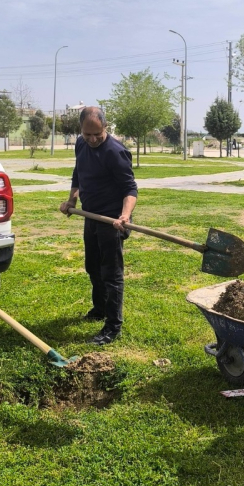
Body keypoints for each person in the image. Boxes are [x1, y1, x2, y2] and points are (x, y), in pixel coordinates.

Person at [60, 106, 137, 345]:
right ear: (81, 129)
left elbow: (130, 189)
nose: (92, 140)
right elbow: (78, 173)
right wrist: (72, 199)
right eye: (87, 134)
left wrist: (125, 216)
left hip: (112, 220)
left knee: (111, 274)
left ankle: (113, 326)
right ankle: (100, 308)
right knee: (93, 266)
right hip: (90, 215)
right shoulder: (80, 144)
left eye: (98, 135)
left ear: (105, 128)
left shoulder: (115, 152)